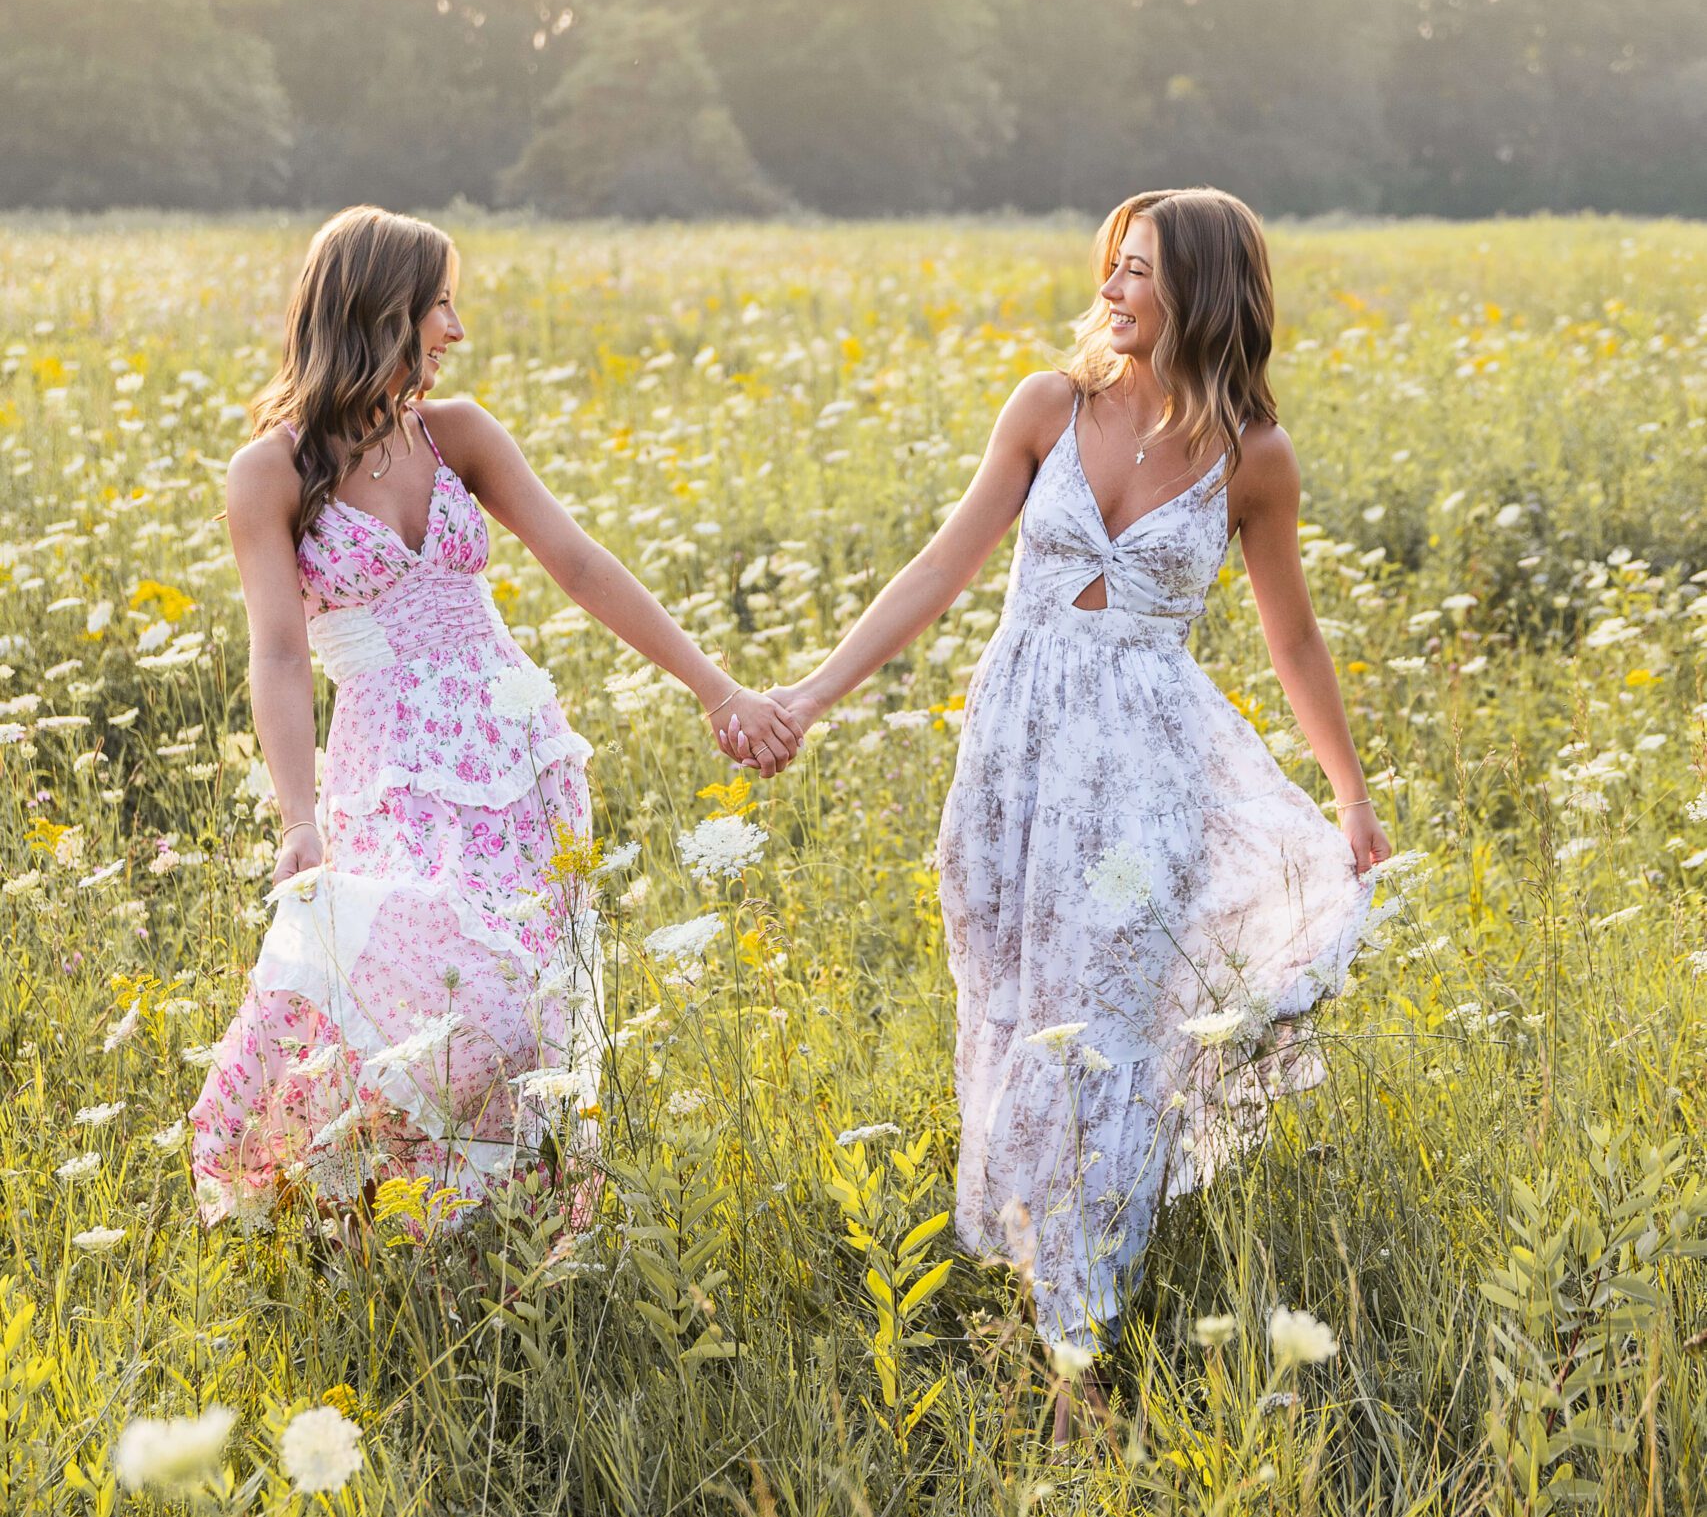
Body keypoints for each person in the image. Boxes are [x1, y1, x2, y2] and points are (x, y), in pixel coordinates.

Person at [728, 187, 1389, 1405]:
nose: (1115, 290)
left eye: (1142, 272)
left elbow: (1292, 638)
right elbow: (943, 565)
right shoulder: (1051, 404)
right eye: (1114, 267)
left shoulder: (1254, 458)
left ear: (1203, 290)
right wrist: (809, 694)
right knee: (1015, 998)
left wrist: (1350, 795)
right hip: (1014, 762)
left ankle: (1076, 1341)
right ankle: (1045, 1271)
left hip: (1145, 775)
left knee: (1102, 1022)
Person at [192, 205, 797, 1225]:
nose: (455, 332)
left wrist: (717, 686)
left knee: (529, 1006)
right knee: (425, 999)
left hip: (520, 757)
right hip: (389, 769)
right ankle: (365, 1216)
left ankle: (504, 1233)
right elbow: (281, 653)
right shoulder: (271, 473)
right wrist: (298, 821)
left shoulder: (457, 435)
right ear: (382, 310)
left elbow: (580, 563)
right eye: (440, 307)